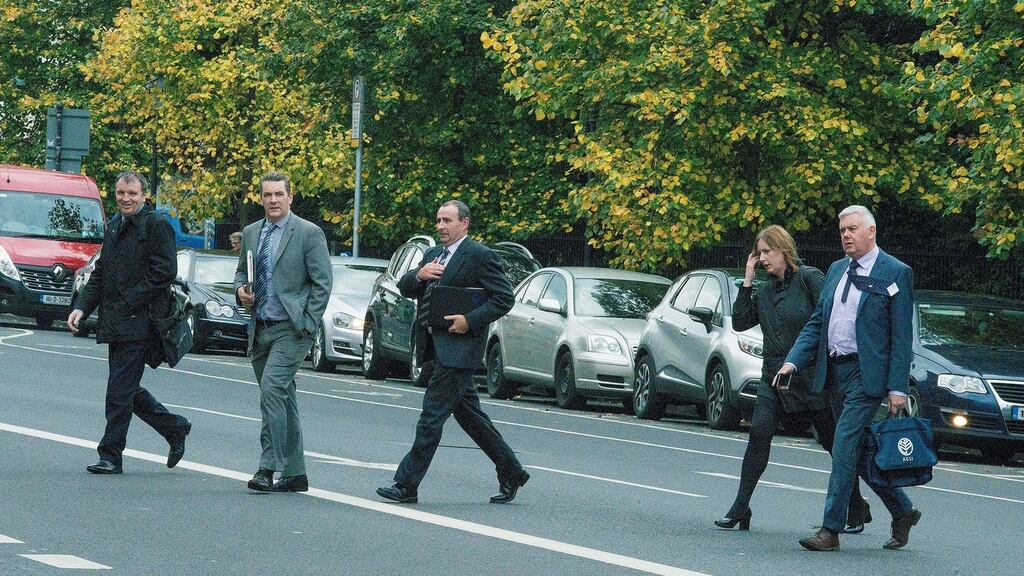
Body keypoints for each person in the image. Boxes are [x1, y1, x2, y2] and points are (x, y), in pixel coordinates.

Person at [777, 205, 921, 551]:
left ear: (871, 231)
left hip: (866, 375)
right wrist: (793, 361)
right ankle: (902, 510)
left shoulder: (895, 271)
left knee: (843, 446)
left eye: (852, 229)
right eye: (842, 230)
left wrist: (897, 387)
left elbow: (901, 335)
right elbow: (818, 322)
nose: (846, 235)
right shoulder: (837, 269)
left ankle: (830, 530)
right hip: (834, 373)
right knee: (856, 452)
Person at [715, 225, 868, 532]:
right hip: (774, 377)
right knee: (758, 433)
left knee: (833, 444)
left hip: (810, 378)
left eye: (767, 252)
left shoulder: (809, 279)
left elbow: (832, 316)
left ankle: (856, 505)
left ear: (783, 250)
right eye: (759, 253)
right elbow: (741, 322)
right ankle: (740, 507)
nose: (762, 258)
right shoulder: (765, 290)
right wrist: (748, 278)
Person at [376, 200, 529, 504]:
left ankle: (406, 485)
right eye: (438, 220)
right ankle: (512, 471)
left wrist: (469, 320)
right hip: (434, 348)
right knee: (472, 418)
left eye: (447, 221)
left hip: (460, 350)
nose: (441, 226)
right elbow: (406, 287)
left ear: (464, 223)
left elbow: (503, 298)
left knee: (431, 417)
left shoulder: (480, 256)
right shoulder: (432, 254)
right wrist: (419, 275)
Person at [67, 171, 191, 474]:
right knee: (124, 388)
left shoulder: (156, 224)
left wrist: (128, 302)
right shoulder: (115, 225)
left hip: (141, 323)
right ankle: (174, 426)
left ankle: (110, 455)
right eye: (121, 193)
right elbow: (100, 273)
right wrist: (82, 307)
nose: (126, 198)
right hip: (116, 321)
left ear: (144, 195)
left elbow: (164, 272)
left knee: (119, 391)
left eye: (132, 194)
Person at [234, 171, 332, 493]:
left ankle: (267, 467)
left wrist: (308, 322)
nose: (273, 200)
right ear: (260, 198)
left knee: (272, 390)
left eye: (279, 194)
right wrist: (240, 292)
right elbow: (240, 273)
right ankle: (295, 473)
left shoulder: (308, 233)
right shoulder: (252, 233)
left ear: (290, 197)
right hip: (260, 327)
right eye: (267, 195)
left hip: (291, 329)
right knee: (284, 399)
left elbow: (322, 283)